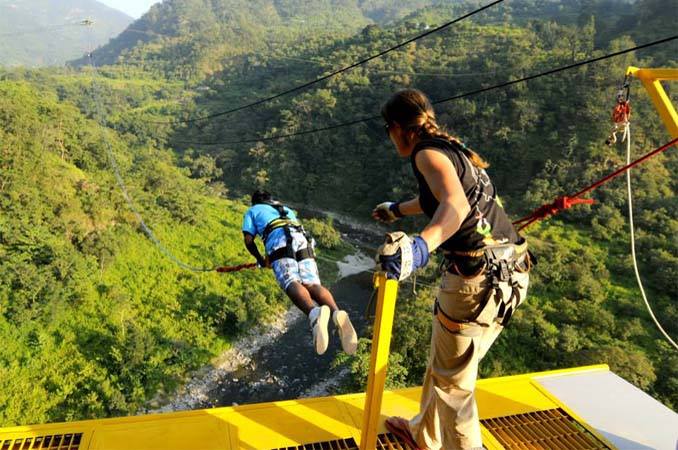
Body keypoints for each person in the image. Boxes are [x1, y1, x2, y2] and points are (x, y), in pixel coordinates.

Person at [373, 89, 532, 450]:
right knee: (445, 368)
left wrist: (419, 248)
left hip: (475, 283)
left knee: (454, 388)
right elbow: (440, 198)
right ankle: (423, 435)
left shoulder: (425, 153)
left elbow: (455, 206)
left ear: (397, 128)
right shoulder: (451, 148)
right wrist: (397, 210)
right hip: (512, 271)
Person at [242, 190, 358, 356]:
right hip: (302, 241)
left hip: (279, 241)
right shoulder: (285, 209)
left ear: (255, 202)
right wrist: (270, 257)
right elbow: (281, 229)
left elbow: (249, 240)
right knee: (312, 284)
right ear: (270, 200)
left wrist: (261, 260)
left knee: (291, 282)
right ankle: (336, 312)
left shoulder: (252, 211)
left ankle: (314, 313)